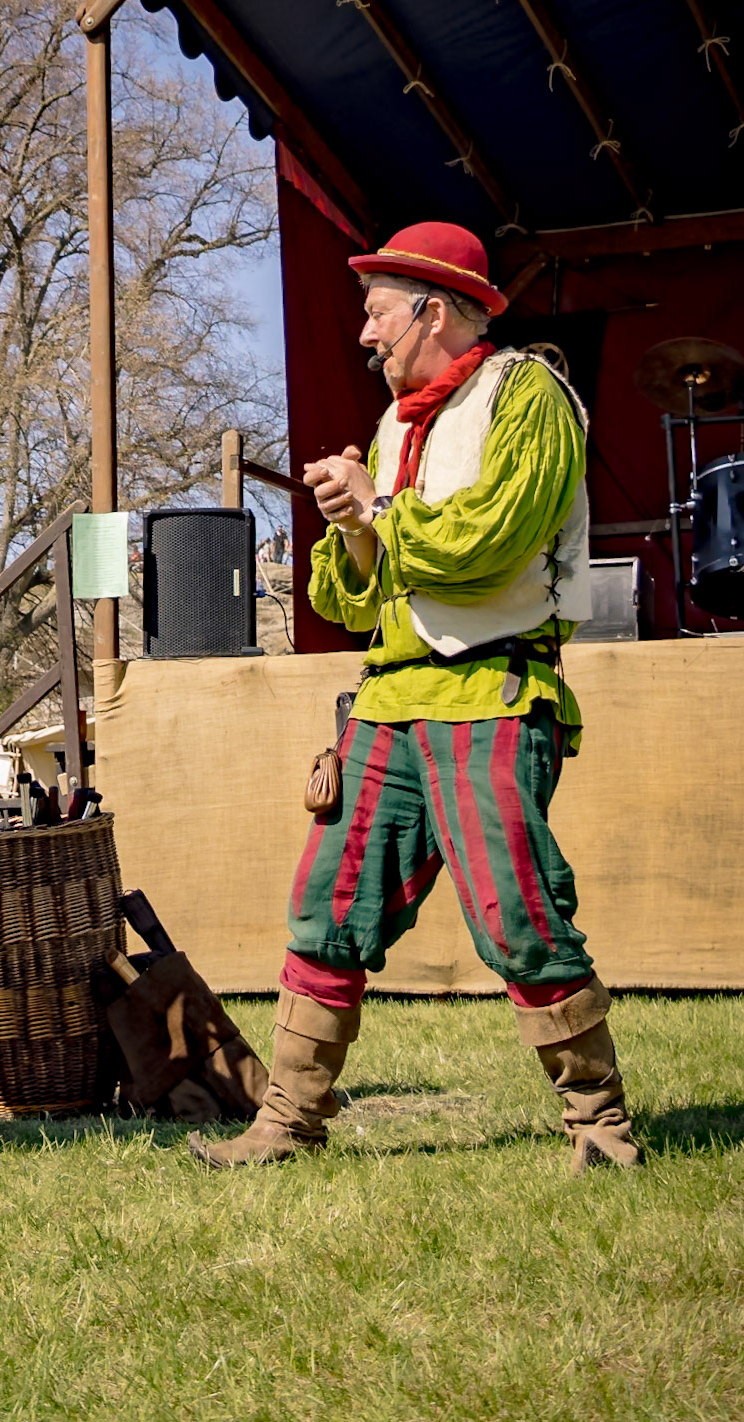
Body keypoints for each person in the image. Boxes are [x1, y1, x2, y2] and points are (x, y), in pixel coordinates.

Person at [190, 221, 640, 1175]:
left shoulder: (527, 395)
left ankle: (598, 1130)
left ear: (433, 309)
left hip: (491, 686)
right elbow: (358, 595)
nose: (363, 334)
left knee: (514, 907)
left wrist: (378, 510)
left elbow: (491, 542)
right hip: (391, 703)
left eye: (376, 313)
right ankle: (285, 1122)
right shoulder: (394, 426)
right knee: (328, 904)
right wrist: (353, 525)